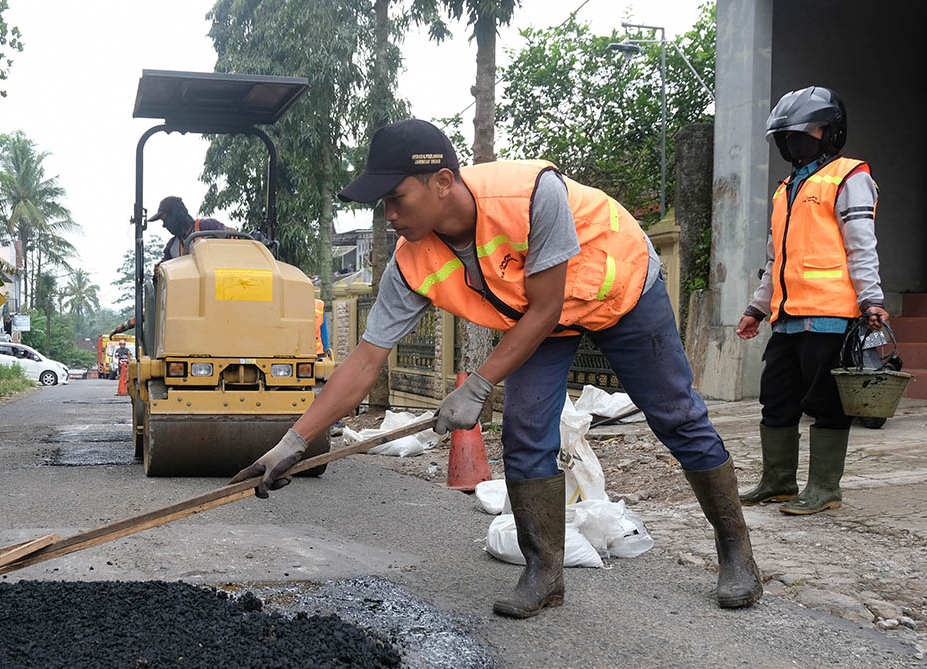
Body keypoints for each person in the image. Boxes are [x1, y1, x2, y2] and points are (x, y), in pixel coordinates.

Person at [231, 119, 763, 618]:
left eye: (395, 197)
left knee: (675, 415)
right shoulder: (410, 258)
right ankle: (544, 572)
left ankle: (736, 552)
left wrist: (479, 385)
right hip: (544, 319)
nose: (387, 214)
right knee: (526, 429)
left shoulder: (532, 194)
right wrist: (295, 441)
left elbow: (547, 305)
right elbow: (365, 359)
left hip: (620, 289)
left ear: (442, 181)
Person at [736, 87, 886, 515]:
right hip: (786, 319)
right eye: (787, 135)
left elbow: (861, 245)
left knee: (826, 403)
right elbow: (774, 258)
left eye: (804, 132)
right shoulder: (785, 188)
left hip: (831, 316)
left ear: (830, 130)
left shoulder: (850, 176)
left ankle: (824, 489)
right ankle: (778, 481)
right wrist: (756, 308)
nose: (794, 141)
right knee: (776, 398)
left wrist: (871, 300)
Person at [149, 196, 227, 261]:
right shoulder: (171, 246)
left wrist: (228, 234)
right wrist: (158, 270)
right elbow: (163, 269)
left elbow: (230, 234)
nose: (164, 225)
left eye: (165, 219)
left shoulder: (207, 226)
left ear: (175, 214)